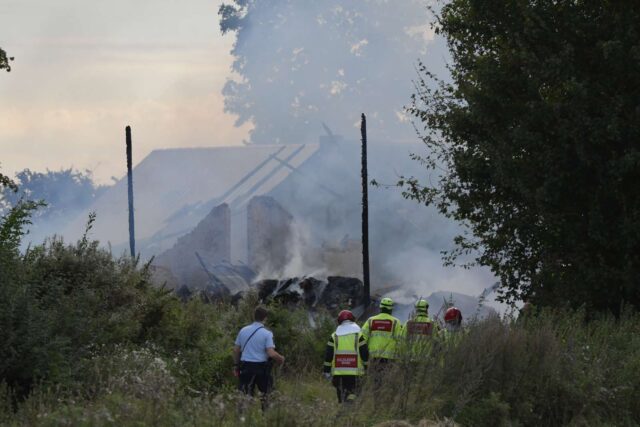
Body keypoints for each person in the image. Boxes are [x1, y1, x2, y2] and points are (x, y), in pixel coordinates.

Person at [233, 306, 285, 408]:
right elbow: (271, 353)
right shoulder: (267, 333)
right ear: (265, 318)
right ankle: (265, 418)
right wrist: (281, 359)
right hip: (261, 369)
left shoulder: (243, 330)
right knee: (266, 396)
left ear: (254, 316)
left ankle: (242, 418)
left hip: (245, 367)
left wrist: (235, 365)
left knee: (244, 396)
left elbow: (236, 350)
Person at [323, 310, 369, 403]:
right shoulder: (358, 335)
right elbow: (364, 354)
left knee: (342, 397)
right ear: (352, 320)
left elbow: (328, 355)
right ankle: (349, 407)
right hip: (355, 373)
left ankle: (345, 410)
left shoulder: (334, 336)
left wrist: (326, 371)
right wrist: (367, 367)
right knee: (353, 394)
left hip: (339, 374)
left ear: (339, 321)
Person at [361, 297, 402, 366]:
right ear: (391, 309)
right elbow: (400, 340)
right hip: (389, 358)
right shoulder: (395, 322)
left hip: (373, 357)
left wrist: (365, 356)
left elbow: (362, 338)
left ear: (380, 308)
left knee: (374, 376)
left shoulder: (371, 320)